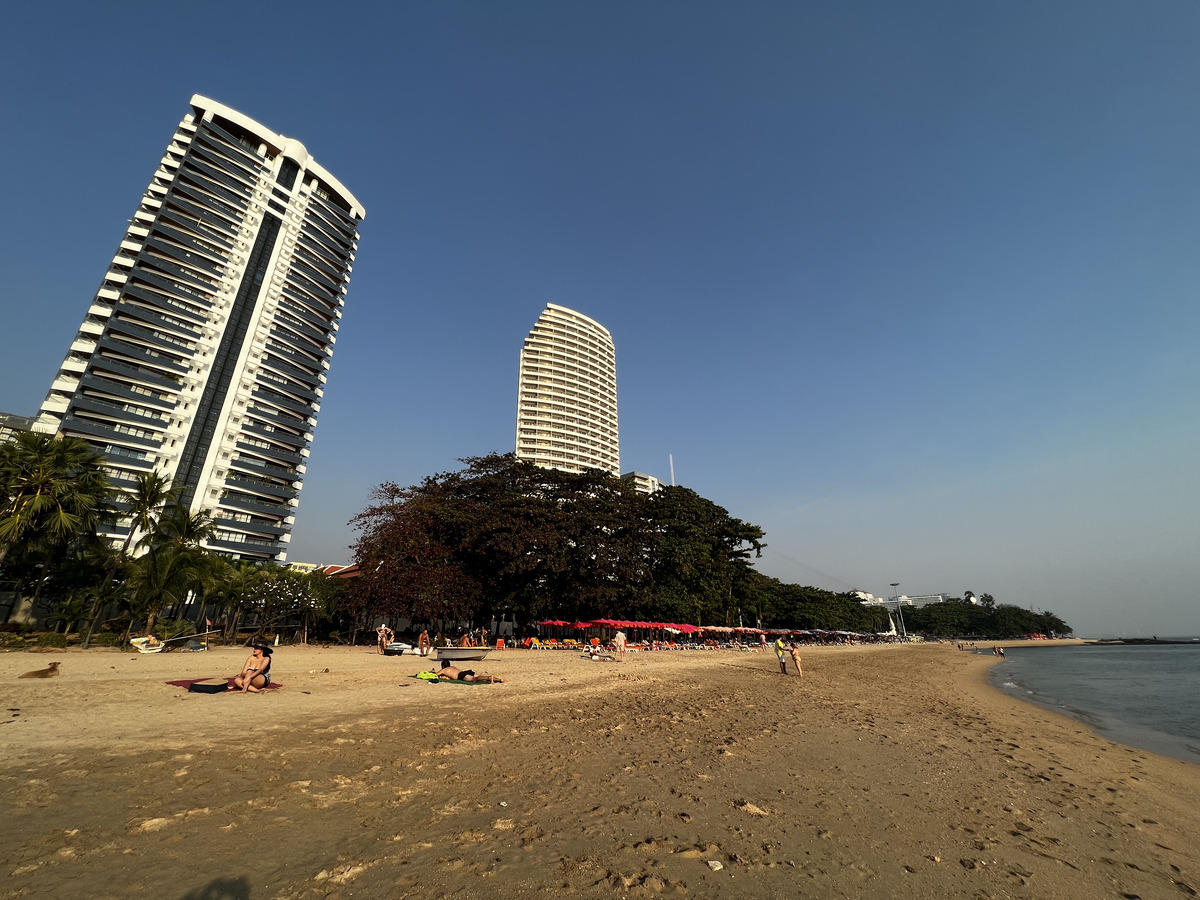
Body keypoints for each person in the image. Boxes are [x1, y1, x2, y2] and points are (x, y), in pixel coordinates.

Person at [436, 662, 504, 684]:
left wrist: (433, 672)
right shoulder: (453, 667)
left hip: (461, 675)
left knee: (475, 679)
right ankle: (499, 680)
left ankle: (489, 677)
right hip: (466, 672)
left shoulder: (444, 670)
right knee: (479, 676)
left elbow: (436, 674)